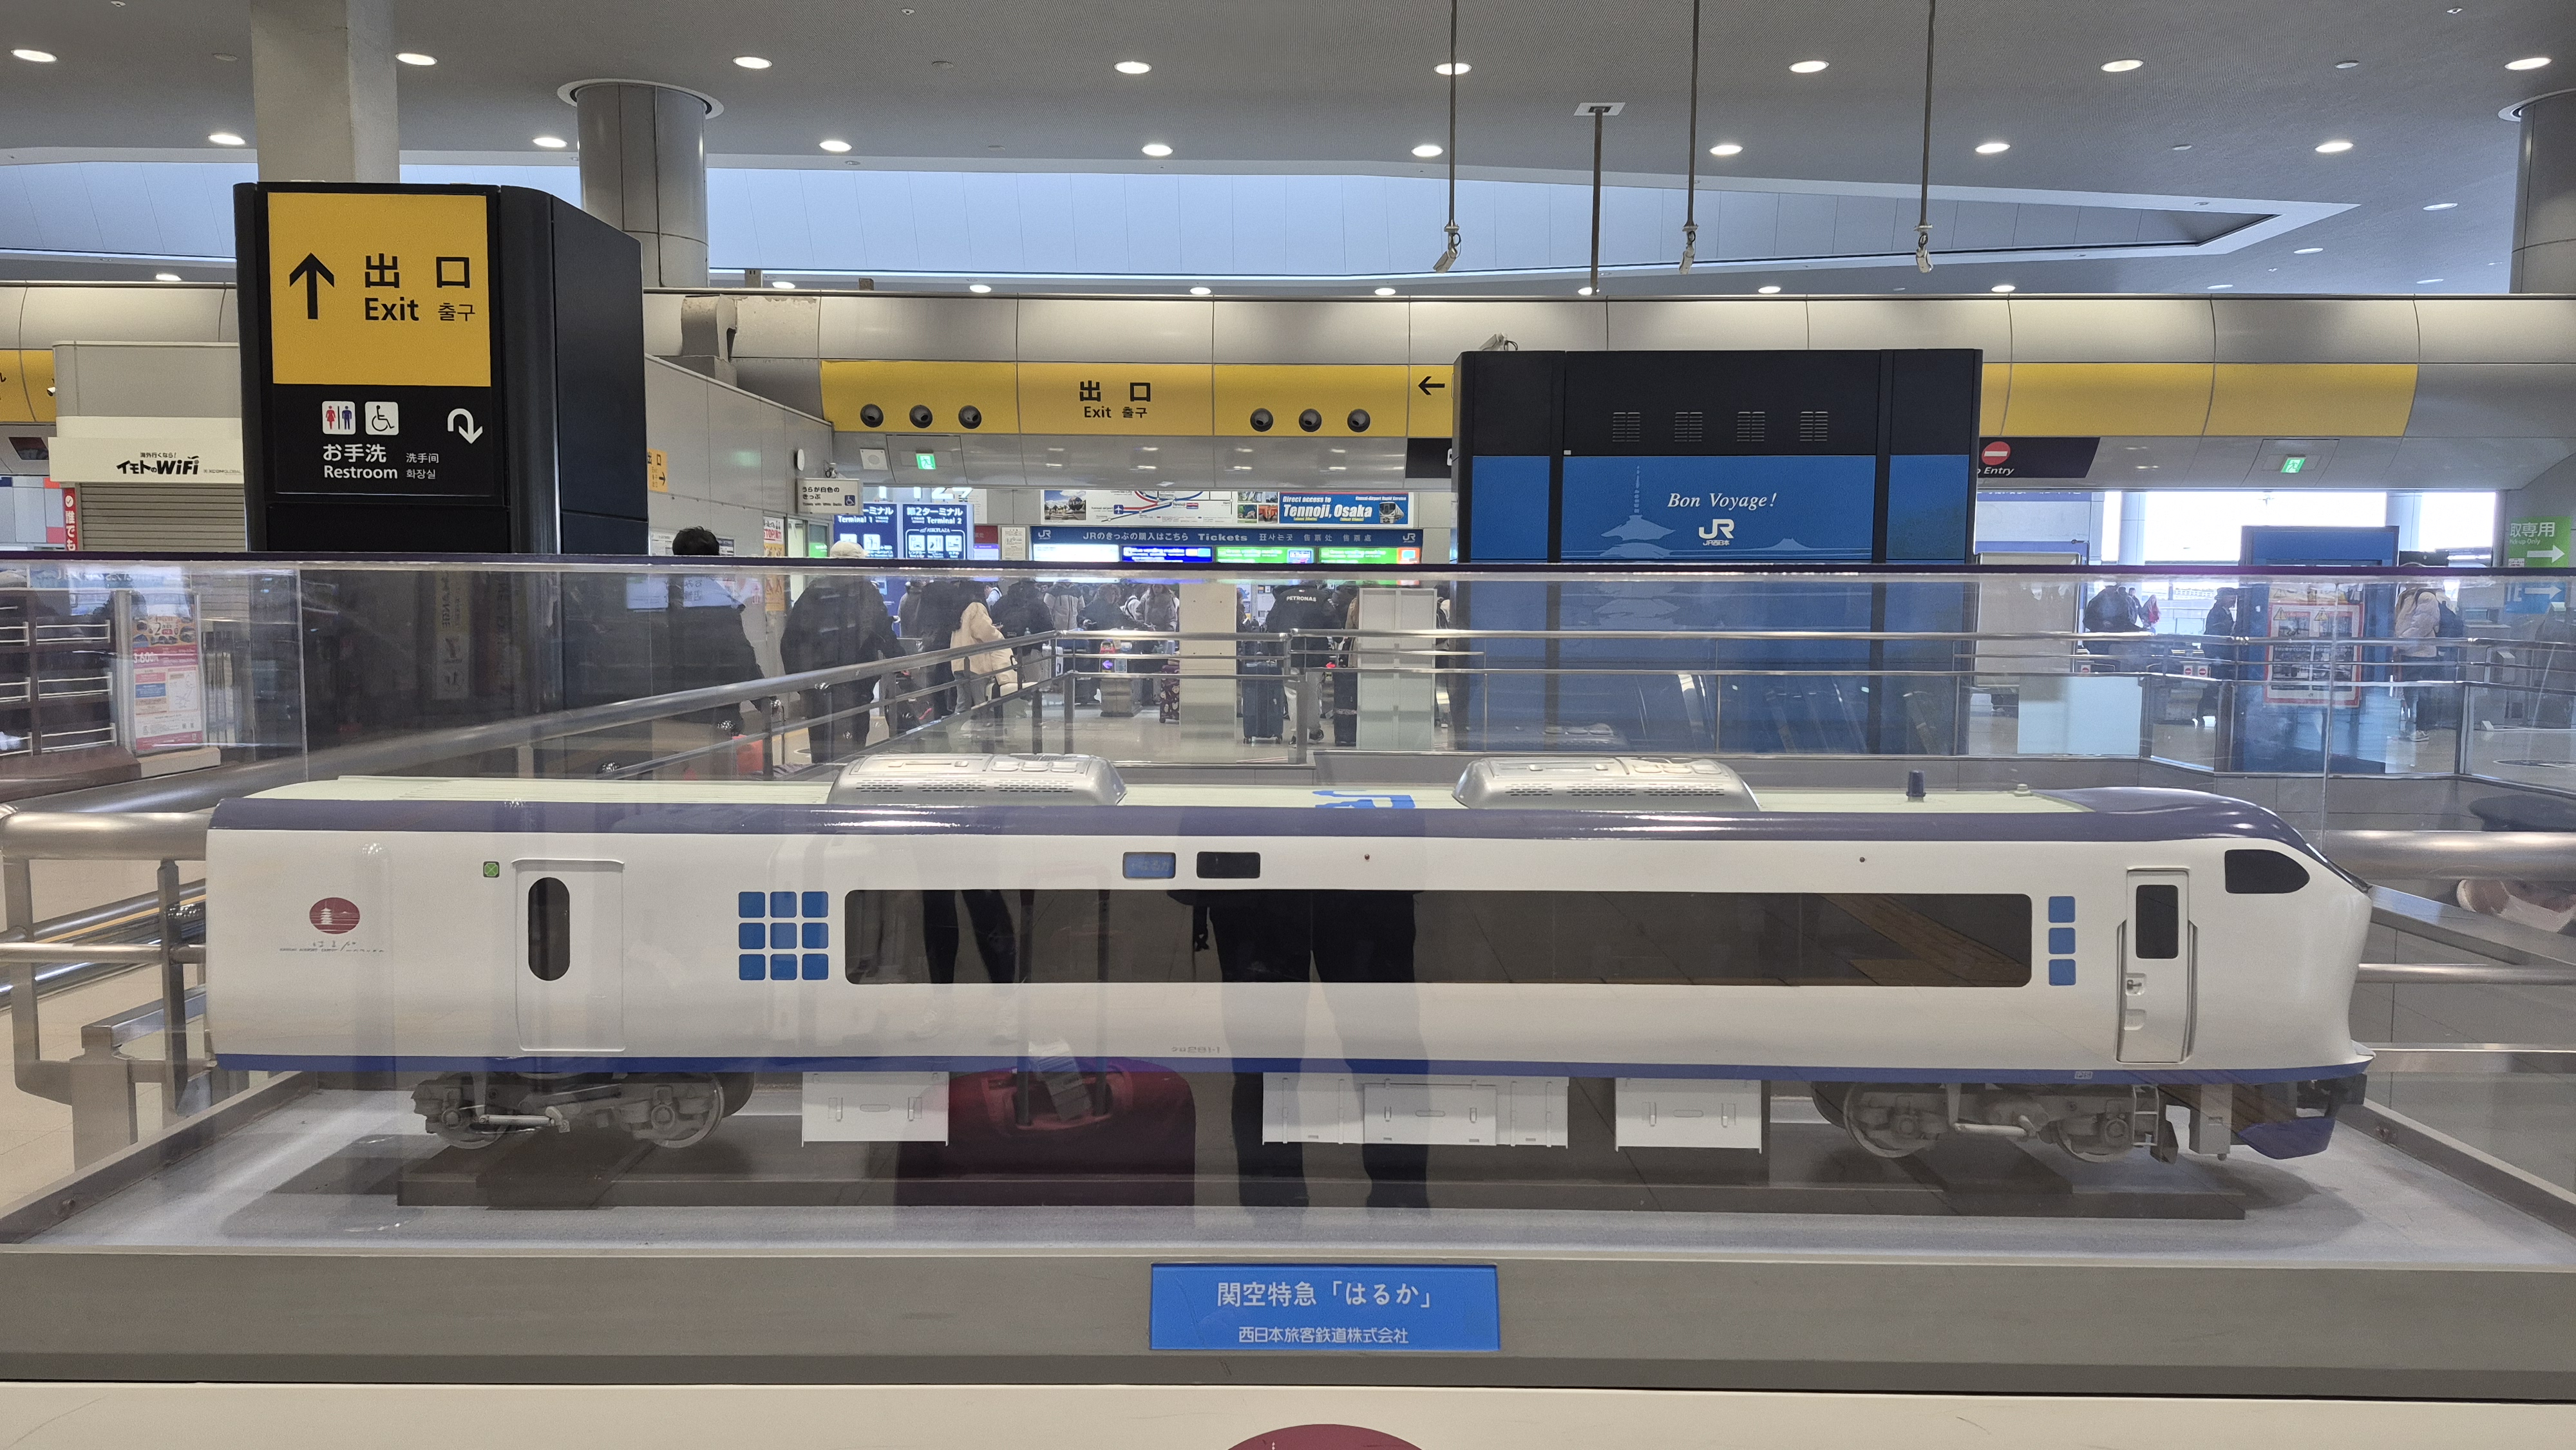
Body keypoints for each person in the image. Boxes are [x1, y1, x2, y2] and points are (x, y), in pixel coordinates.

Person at [780, 540, 901, 763]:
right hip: (855, 683)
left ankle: (825, 778)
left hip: (822, 685)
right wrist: (903, 663)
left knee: (822, 741)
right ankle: (845, 776)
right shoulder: (867, 593)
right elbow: (883, 633)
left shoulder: (814, 593)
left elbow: (791, 641)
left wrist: (803, 684)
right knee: (855, 741)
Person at [663, 526, 765, 744]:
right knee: (715, 763)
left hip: (664, 710)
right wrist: (765, 700)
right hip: (714, 711)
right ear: (712, 561)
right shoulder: (717, 600)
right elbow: (740, 656)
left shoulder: (657, 592)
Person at [949, 579, 1016, 713]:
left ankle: (957, 725)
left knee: (963, 703)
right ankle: (984, 725)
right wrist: (998, 634)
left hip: (959, 662)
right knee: (981, 703)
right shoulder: (976, 607)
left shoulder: (959, 608)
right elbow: (984, 632)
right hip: (975, 663)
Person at [2081, 582, 2147, 671]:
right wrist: (2102, 624)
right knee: (2101, 668)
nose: (2112, 590)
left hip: (2115, 645)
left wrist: (2138, 629)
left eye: (2114, 588)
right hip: (2100, 644)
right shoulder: (2096, 601)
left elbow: (2126, 623)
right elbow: (2088, 621)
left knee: (2115, 669)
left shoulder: (2122, 601)